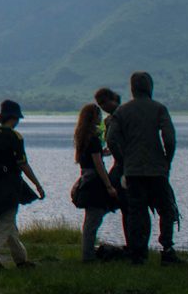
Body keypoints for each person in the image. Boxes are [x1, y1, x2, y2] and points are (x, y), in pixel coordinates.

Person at [106, 72, 183, 266]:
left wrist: (123, 160)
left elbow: (111, 139)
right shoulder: (159, 109)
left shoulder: (122, 112)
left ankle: (138, 254)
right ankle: (167, 250)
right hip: (157, 170)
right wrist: (167, 161)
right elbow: (170, 139)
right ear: (150, 87)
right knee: (166, 210)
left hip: (133, 171)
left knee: (136, 212)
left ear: (132, 89)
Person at [0, 100, 46, 269]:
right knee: (4, 221)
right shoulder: (15, 137)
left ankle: (21, 259)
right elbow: (23, 164)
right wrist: (37, 184)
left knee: (8, 222)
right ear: (13, 118)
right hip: (9, 184)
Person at [72, 103, 120, 263]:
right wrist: (108, 185)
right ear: (94, 117)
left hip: (86, 178)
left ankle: (88, 253)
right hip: (94, 183)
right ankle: (88, 257)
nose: (100, 118)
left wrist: (102, 152)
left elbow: (93, 157)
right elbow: (98, 164)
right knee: (93, 220)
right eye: (98, 115)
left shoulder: (83, 136)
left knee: (91, 219)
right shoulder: (93, 138)